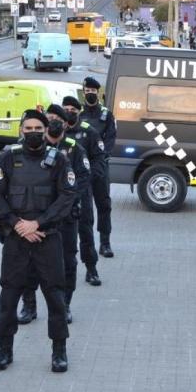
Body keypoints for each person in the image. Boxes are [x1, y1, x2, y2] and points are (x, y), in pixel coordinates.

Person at [0, 110, 75, 373]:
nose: (33, 132)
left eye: (38, 128)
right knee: (9, 296)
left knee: (55, 297)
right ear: (21, 131)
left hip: (47, 239)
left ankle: (59, 352)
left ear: (45, 130)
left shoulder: (58, 160)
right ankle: (5, 350)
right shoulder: (8, 157)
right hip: (16, 239)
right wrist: (17, 224)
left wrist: (37, 224)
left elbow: (67, 196)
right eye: (28, 128)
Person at [18, 104, 90, 325]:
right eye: (49, 118)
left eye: (56, 117)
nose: (53, 121)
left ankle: (64, 305)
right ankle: (29, 305)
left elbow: (82, 180)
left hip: (64, 219)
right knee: (28, 263)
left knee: (67, 262)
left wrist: (64, 205)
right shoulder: (26, 150)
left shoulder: (73, 148)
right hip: (35, 220)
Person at [63, 95, 104, 286]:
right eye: (66, 109)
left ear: (79, 112)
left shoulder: (89, 133)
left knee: (85, 232)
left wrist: (89, 180)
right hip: (60, 197)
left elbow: (98, 160)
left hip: (82, 193)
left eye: (73, 109)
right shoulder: (54, 135)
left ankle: (91, 269)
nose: (69, 112)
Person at [79, 77, 117, 258]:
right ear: (83, 92)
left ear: (98, 92)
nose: (90, 94)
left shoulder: (106, 114)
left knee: (104, 205)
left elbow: (110, 139)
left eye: (93, 91)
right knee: (84, 209)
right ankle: (87, 244)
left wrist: (101, 158)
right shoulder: (78, 114)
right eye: (87, 91)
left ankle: (105, 243)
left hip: (100, 167)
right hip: (81, 169)